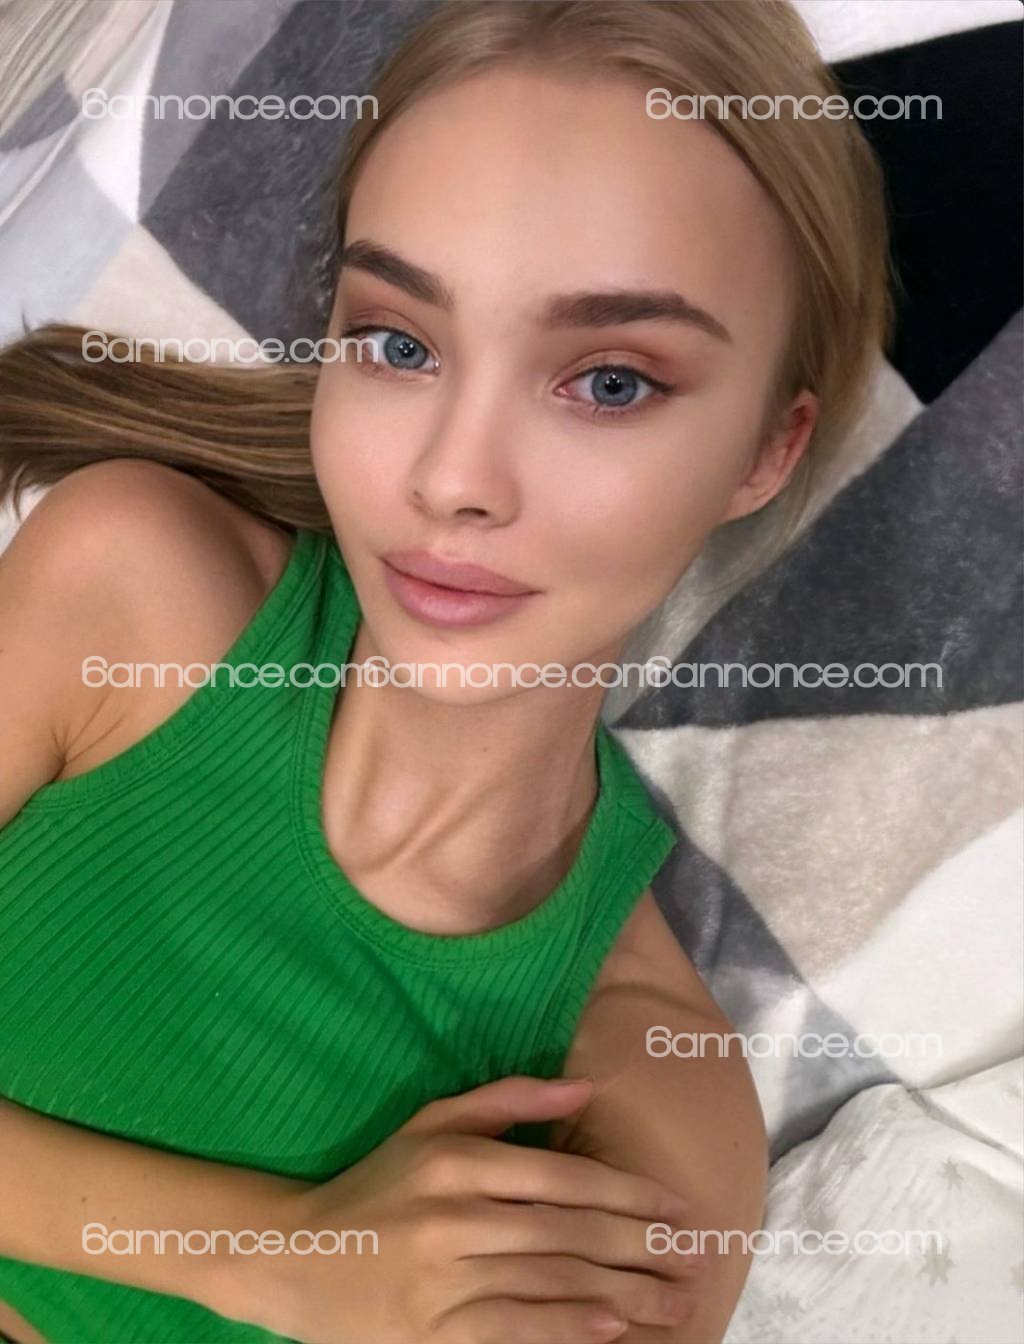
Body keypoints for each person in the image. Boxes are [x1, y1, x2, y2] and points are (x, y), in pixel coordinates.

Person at [0, 2, 893, 1341]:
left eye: (609, 382)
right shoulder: (130, 589)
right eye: (400, 344)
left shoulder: (645, 1102)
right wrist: (271, 1255)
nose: (452, 480)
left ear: (769, 449)